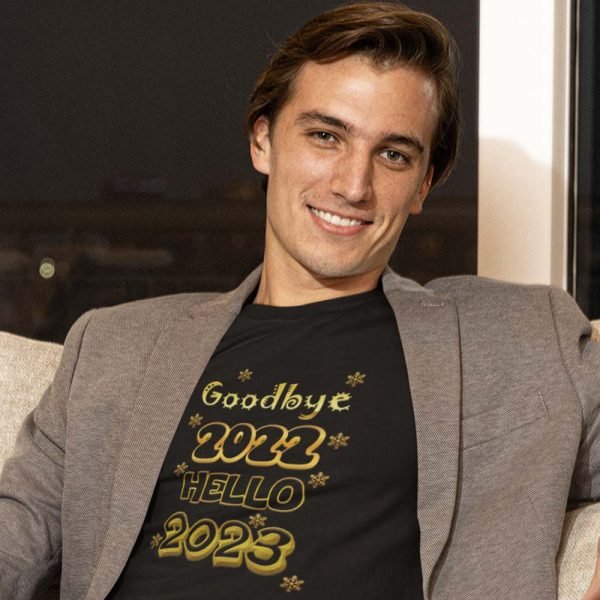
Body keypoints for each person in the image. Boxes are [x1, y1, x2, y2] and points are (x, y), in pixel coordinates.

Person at [1, 2, 599, 599]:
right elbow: (15, 537)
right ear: (263, 141)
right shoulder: (113, 346)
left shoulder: (517, 337)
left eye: (393, 154)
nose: (353, 185)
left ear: (423, 184)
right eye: (325, 136)